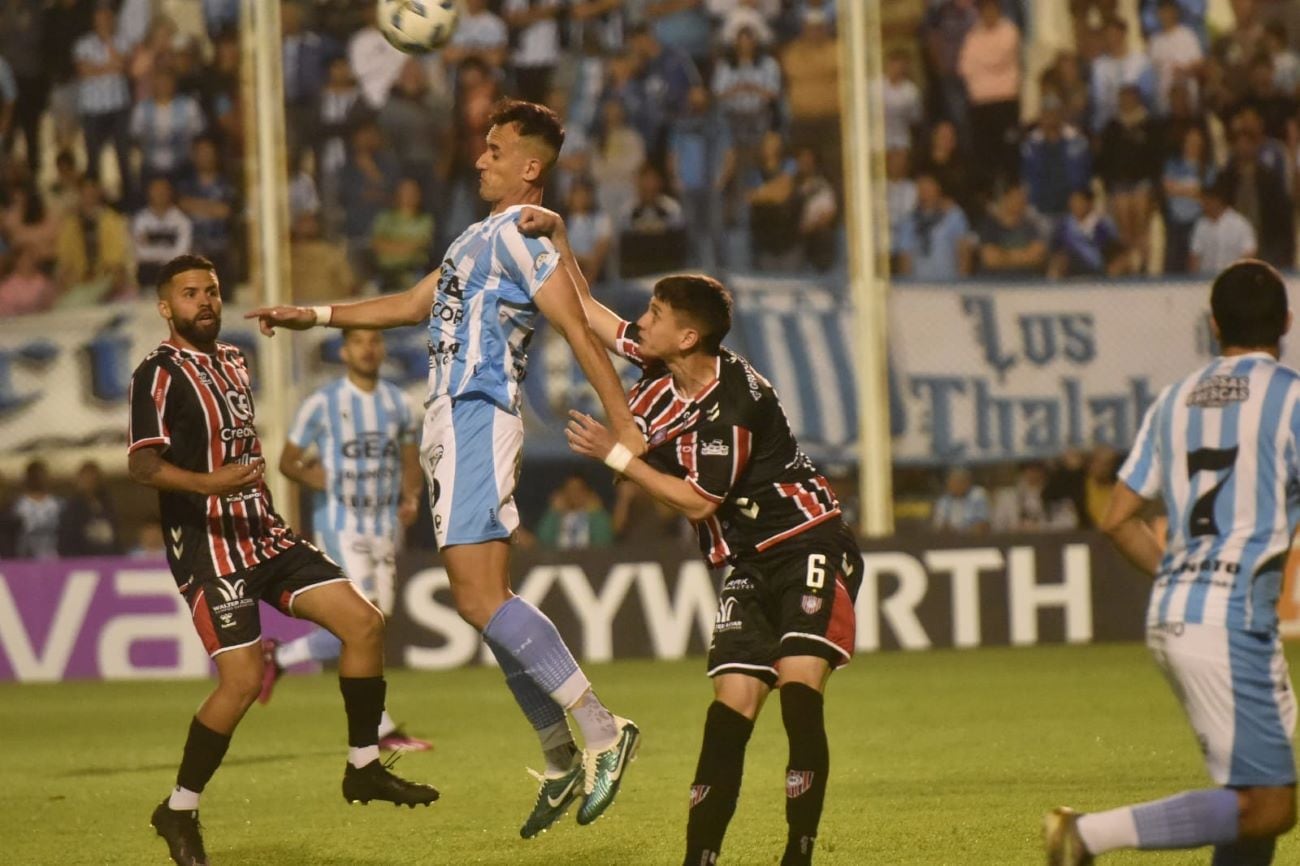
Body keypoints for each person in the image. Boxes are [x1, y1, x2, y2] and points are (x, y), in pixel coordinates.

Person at [245, 99, 644, 838]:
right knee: (481, 600)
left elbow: (580, 326)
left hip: (476, 412)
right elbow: (408, 303)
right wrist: (316, 315)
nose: (480, 158)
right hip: (448, 424)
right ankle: (559, 758)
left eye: (496, 150)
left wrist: (622, 422)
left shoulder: (526, 237)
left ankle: (600, 730)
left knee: (482, 598)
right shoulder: (474, 238)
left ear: (531, 167)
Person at [129, 254, 438, 866]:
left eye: (212, 291)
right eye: (191, 294)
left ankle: (363, 766)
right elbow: (141, 464)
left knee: (364, 623)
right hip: (210, 546)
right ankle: (180, 809)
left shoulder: (235, 361)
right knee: (241, 682)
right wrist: (208, 483)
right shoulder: (156, 374)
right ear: (167, 308)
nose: (206, 302)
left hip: (263, 532)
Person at [550, 265, 862, 866]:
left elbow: (698, 500)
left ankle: (798, 854)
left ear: (687, 337)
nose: (641, 322)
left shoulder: (735, 404)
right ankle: (700, 859)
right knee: (729, 712)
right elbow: (587, 308)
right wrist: (555, 240)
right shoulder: (661, 366)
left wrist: (615, 453)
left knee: (799, 693)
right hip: (745, 560)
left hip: (807, 542)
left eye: (655, 314)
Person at [1045, 259, 1300, 865]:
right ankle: (1085, 835)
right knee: (1271, 807)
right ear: (1287, 322)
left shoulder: (1175, 400)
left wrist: (1182, 580)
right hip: (1230, 620)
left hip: (1180, 610)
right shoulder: (1290, 399)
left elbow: (1115, 518)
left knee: (1251, 802)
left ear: (1213, 325)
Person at [261, 328, 431, 752]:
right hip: (342, 525)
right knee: (363, 620)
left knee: (374, 623)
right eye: (358, 342)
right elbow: (287, 462)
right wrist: (325, 480)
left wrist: (410, 496)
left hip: (384, 526)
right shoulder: (322, 402)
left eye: (374, 341)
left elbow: (411, 462)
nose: (368, 349)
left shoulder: (398, 402)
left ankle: (278, 659)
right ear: (344, 351)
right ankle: (379, 727)